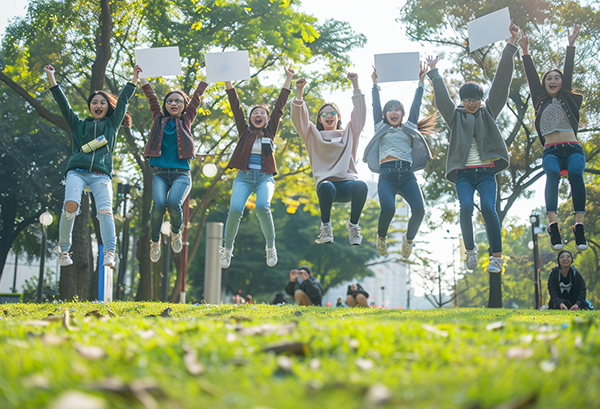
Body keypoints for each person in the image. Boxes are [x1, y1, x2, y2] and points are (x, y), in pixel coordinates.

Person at [425, 21, 520, 272]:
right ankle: (471, 250)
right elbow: (443, 99)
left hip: (487, 172)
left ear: (480, 99)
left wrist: (510, 46)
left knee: (489, 207)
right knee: (466, 207)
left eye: (476, 99)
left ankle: (497, 256)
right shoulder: (455, 116)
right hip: (464, 174)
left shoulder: (488, 111)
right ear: (463, 100)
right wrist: (434, 72)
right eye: (468, 99)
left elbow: (501, 83)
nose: (472, 103)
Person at [45, 64, 140, 269]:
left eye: (102, 102)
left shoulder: (111, 125)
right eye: (94, 102)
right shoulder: (79, 125)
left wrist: (133, 78)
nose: (98, 105)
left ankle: (109, 252)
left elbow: (123, 100)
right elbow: (63, 104)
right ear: (90, 106)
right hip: (77, 172)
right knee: (71, 205)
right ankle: (63, 250)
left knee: (105, 212)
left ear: (107, 106)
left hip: (101, 176)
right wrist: (51, 77)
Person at [519, 25, 587, 251]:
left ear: (562, 81)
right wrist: (525, 51)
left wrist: (571, 45)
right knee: (552, 174)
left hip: (573, 149)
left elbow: (569, 69)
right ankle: (553, 226)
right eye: (549, 78)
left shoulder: (566, 95)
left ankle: (579, 226)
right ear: (544, 83)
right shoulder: (540, 99)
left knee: (576, 173)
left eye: (557, 78)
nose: (553, 80)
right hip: (552, 152)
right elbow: (531, 76)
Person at [219, 67, 294, 269]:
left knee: (262, 206)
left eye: (262, 113)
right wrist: (228, 83)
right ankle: (227, 249)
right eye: (255, 113)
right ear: (251, 118)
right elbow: (236, 108)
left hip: (264, 178)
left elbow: (279, 106)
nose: (258, 115)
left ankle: (270, 247)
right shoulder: (244, 131)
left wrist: (288, 78)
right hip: (243, 177)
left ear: (268, 119)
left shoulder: (270, 131)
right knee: (234, 209)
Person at [363, 63, 436, 258]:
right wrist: (374, 83)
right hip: (387, 175)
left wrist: (421, 82)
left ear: (402, 114)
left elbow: (416, 105)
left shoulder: (409, 127)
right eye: (390, 110)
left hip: (407, 175)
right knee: (388, 208)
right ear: (385, 115)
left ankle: (409, 239)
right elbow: (375, 105)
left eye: (397, 110)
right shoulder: (380, 126)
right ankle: (381, 236)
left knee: (419, 210)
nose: (394, 112)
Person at [291, 73, 368, 245]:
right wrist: (298, 91)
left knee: (361, 186)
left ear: (338, 117)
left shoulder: (350, 133)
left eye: (333, 113)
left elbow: (360, 114)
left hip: (347, 184)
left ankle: (353, 225)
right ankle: (325, 225)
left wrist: (356, 84)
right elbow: (298, 119)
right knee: (325, 186)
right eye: (324, 114)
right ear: (319, 119)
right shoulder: (312, 135)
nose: (328, 116)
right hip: (327, 187)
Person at [140, 74, 209, 262]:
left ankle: (176, 232)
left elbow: (195, 99)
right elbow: (152, 97)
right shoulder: (158, 119)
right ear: (165, 105)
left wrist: (205, 81)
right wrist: (142, 78)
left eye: (178, 101)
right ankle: (155, 241)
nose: (174, 103)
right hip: (160, 174)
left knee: (173, 204)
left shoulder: (186, 120)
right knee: (159, 206)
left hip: (181, 175)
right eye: (170, 101)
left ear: (183, 106)